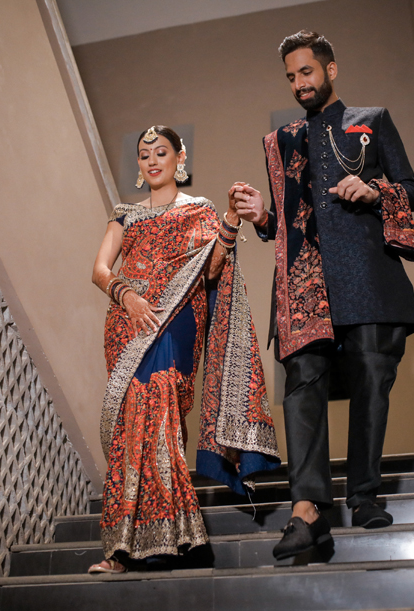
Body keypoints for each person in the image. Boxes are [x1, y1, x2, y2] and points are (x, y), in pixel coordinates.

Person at [230, 31, 414, 560]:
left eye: (307, 72)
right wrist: (261, 217)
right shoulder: (284, 140)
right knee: (302, 386)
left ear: (330, 69)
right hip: (305, 286)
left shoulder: (372, 120)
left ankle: (363, 496)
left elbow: (411, 190)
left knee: (371, 380)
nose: (299, 83)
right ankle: (307, 510)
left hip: (368, 277)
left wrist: (375, 190)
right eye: (291, 76)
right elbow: (290, 223)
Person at [90, 125, 280, 573]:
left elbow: (211, 270)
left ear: (180, 157)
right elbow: (99, 269)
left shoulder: (199, 211)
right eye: (144, 155)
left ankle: (163, 537)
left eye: (161, 152)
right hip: (128, 324)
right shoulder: (124, 215)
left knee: (161, 417)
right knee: (131, 425)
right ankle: (123, 548)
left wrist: (229, 219)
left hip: (175, 322)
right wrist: (128, 297)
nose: (152, 161)